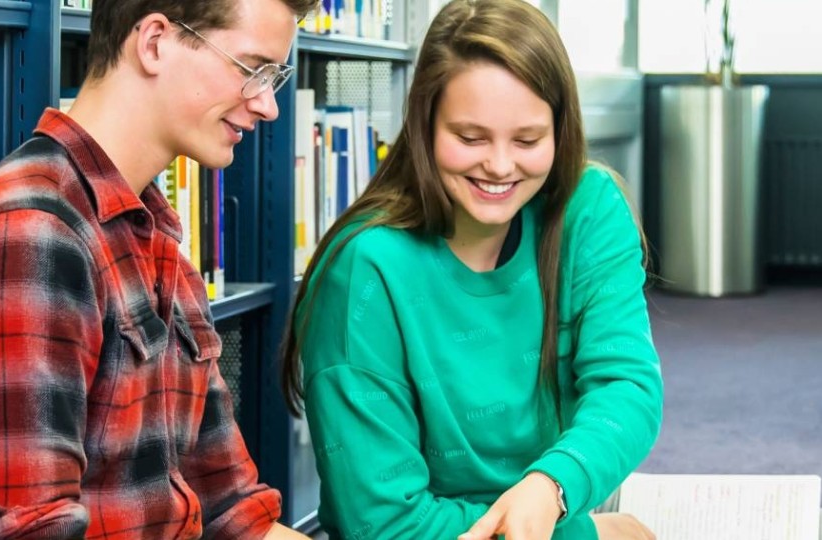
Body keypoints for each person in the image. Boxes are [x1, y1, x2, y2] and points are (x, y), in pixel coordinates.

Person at [0, 0, 316, 538]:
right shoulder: (24, 239)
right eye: (250, 69)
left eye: (274, 78)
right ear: (155, 42)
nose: (268, 106)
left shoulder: (157, 244)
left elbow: (234, 514)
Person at [279, 1, 660, 539]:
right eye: (470, 138)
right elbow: (384, 525)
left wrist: (553, 485)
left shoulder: (588, 207)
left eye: (527, 140)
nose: (501, 166)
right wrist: (590, 534)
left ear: (560, 129)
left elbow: (626, 383)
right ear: (424, 125)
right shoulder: (364, 272)